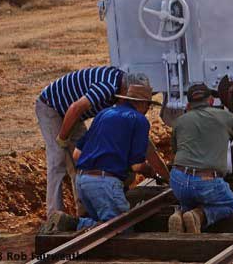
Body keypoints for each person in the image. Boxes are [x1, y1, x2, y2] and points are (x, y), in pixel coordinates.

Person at [40, 83, 161, 232]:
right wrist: (150, 172)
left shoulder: (104, 113)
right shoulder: (139, 120)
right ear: (142, 103)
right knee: (122, 229)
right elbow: (137, 166)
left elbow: (77, 154)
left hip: (82, 181)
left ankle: (75, 223)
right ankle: (73, 224)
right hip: (105, 183)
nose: (148, 109)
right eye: (149, 105)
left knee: (102, 228)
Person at [167, 83, 233, 234]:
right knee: (230, 206)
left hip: (179, 181)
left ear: (188, 105)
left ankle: (180, 214)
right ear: (211, 101)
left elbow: (175, 152)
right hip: (206, 183)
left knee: (190, 197)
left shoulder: (179, 121)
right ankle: (198, 216)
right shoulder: (224, 117)